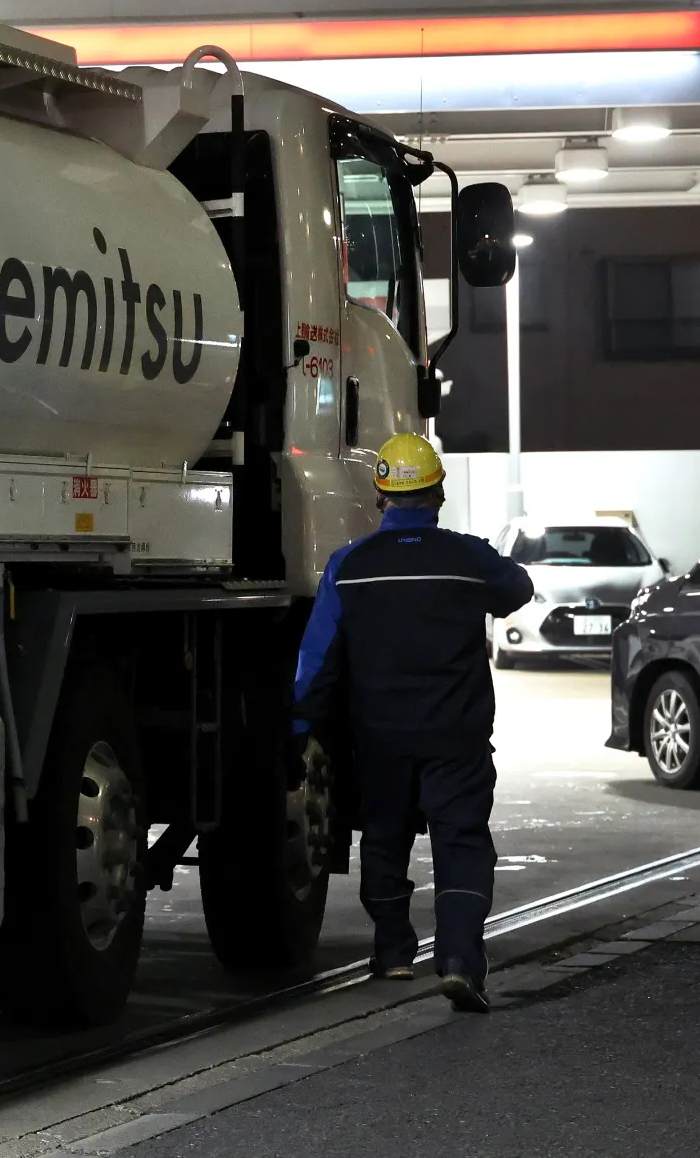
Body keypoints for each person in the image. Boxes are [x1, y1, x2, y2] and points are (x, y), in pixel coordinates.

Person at [289, 432, 532, 1011]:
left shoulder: (348, 567)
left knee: (384, 837)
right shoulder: (468, 558)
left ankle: (394, 951)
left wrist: (299, 729)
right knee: (463, 842)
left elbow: (316, 660)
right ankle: (459, 960)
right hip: (457, 735)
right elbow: (518, 588)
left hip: (380, 736)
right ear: (439, 492)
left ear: (380, 495)